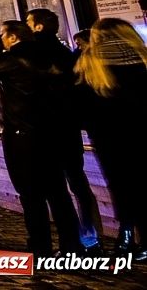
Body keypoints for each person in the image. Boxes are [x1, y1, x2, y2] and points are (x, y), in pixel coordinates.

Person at [0, 20, 82, 255]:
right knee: (58, 192)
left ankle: (40, 246)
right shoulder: (51, 56)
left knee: (31, 194)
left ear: (13, 38)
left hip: (22, 134)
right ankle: (72, 246)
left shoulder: (11, 59)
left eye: (3, 35)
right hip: (52, 133)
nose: (1, 39)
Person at [25, 8, 101, 248]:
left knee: (56, 189)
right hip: (67, 130)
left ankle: (73, 241)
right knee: (78, 184)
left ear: (38, 27)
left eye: (28, 22)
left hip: (46, 130)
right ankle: (91, 237)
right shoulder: (67, 55)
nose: (25, 26)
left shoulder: (32, 54)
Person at [74, 18, 147, 258]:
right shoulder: (143, 57)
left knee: (122, 185)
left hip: (108, 136)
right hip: (142, 131)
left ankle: (126, 238)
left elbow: (81, 105)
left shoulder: (90, 61)